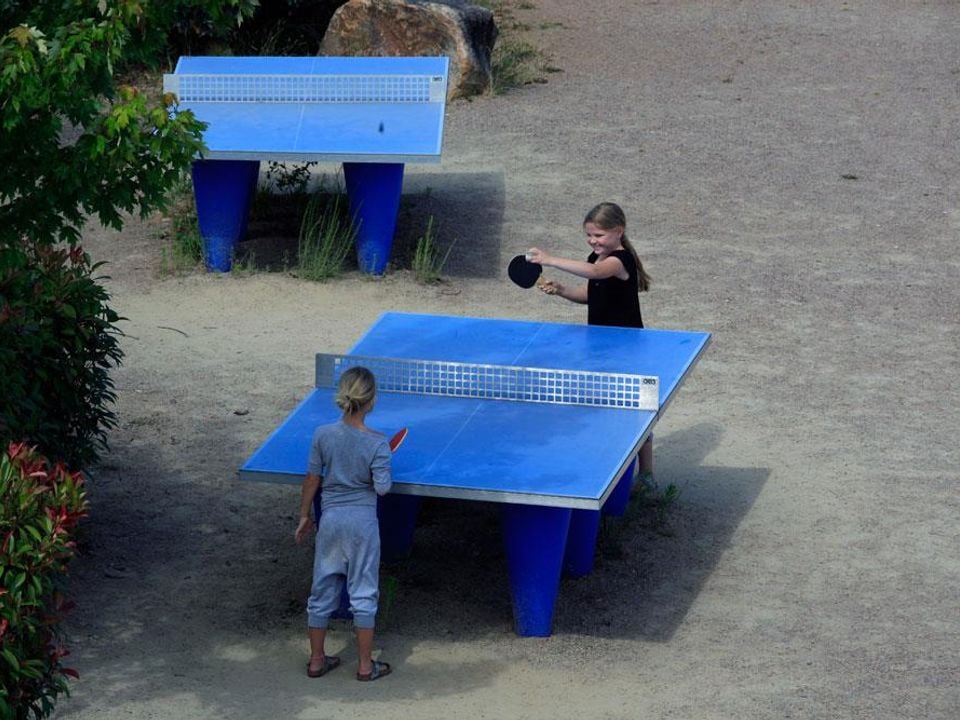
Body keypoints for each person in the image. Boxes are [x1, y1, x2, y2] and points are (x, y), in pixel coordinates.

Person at [525, 201, 656, 487]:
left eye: (599, 235)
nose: (593, 241)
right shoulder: (596, 259)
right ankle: (609, 460)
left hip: (626, 347)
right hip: (600, 347)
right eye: (589, 235)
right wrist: (561, 290)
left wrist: (549, 259)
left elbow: (596, 274)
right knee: (602, 406)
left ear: (618, 231)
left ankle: (646, 476)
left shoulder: (620, 261)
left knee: (636, 410)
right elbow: (589, 293)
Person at [294, 366, 393, 682]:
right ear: (371, 400)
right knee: (364, 592)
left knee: (322, 589)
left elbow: (312, 479)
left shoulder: (323, 434)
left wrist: (305, 516)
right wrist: (381, 466)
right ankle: (365, 667)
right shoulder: (377, 443)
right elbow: (382, 488)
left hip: (332, 521)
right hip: (362, 524)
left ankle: (317, 661)